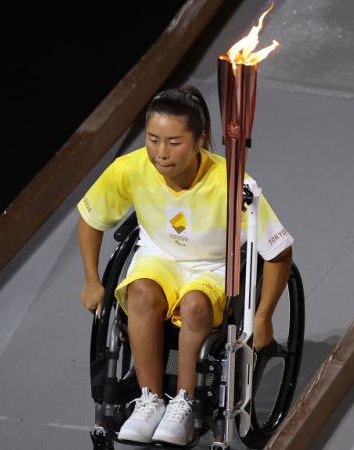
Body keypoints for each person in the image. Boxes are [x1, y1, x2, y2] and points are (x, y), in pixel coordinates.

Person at [77, 85, 293, 445]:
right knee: (140, 294)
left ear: (198, 141)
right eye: (153, 139)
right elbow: (90, 218)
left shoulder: (233, 183)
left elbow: (279, 252)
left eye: (174, 142)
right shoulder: (128, 170)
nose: (161, 153)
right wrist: (90, 278)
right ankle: (150, 401)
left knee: (195, 306)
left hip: (212, 267)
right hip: (159, 258)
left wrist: (263, 316)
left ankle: (184, 403)